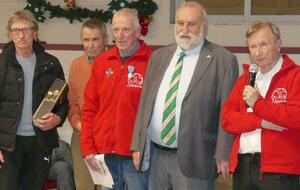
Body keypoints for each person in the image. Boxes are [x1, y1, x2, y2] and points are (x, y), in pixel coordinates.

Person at [130, 2, 239, 190]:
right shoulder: (159, 56)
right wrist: (137, 144)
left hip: (196, 158)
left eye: (191, 24)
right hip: (157, 157)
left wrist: (223, 152)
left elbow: (228, 111)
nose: (184, 29)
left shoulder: (223, 60)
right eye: (180, 23)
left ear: (204, 26)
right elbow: (145, 103)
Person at [222, 21, 300, 190]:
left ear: (278, 45)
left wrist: (258, 103)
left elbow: (295, 116)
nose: (258, 52)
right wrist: (259, 122)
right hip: (243, 165)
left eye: (263, 45)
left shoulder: (295, 76)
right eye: (252, 46)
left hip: (280, 170)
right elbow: (227, 118)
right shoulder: (245, 79)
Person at [80, 8, 152, 190]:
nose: (120, 35)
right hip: (105, 154)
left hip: (135, 154)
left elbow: (153, 113)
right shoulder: (102, 62)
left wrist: (143, 148)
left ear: (137, 31)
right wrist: (88, 148)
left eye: (126, 30)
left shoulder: (152, 62)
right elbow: (90, 108)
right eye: (116, 30)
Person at [0, 10, 68, 190]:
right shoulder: (1, 64)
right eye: (16, 30)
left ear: (35, 32)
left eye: (26, 30)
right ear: (10, 34)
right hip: (8, 145)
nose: (21, 35)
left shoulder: (51, 63)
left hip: (40, 143)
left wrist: (58, 118)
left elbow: (62, 100)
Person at [68, 18, 108, 190]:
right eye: (86, 40)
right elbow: (73, 103)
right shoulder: (77, 65)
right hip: (81, 133)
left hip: (107, 135)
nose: (90, 45)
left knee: (106, 185)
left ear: (105, 40)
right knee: (83, 185)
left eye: (95, 39)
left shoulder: (114, 63)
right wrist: (78, 123)